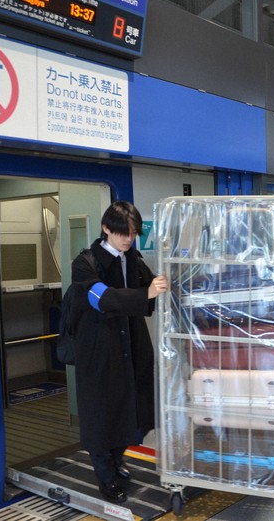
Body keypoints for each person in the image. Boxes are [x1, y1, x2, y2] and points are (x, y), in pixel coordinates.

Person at [71, 201, 168, 502]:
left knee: (131, 409)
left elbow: (153, 287)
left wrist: (163, 284)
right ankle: (105, 476)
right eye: (122, 233)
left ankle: (117, 461)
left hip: (132, 348)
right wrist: (146, 293)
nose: (128, 239)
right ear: (105, 229)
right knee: (102, 414)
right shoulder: (85, 263)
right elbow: (102, 299)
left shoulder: (133, 259)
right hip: (100, 351)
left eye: (133, 233)